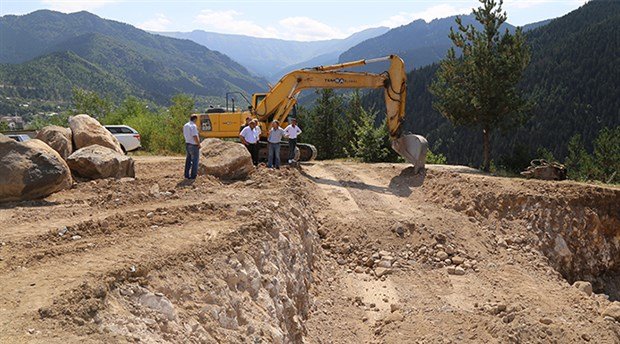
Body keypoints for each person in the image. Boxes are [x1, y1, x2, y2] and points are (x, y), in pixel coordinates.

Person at [183, 114, 200, 179]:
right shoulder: (193, 126)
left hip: (187, 144)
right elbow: (195, 136)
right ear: (195, 119)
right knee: (195, 160)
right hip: (193, 145)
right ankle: (193, 175)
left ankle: (186, 174)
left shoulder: (185, 125)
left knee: (188, 160)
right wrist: (198, 144)